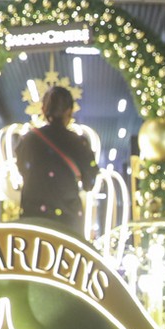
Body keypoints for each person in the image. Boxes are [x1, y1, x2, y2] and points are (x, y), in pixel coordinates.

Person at [14, 86, 98, 237]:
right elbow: (90, 183)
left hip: (33, 218)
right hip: (67, 220)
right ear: (70, 111)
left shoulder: (27, 140)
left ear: (43, 109)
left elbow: (22, 170)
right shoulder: (79, 143)